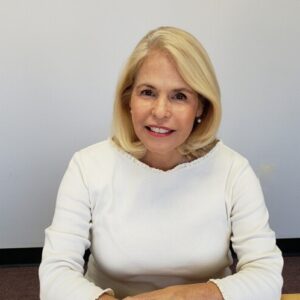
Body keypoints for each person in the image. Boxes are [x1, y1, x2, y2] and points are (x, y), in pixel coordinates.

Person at [39, 26, 283, 300]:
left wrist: (182, 297)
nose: (160, 111)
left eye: (180, 96)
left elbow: (266, 274)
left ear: (201, 106)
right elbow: (56, 274)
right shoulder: (87, 166)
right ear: (128, 99)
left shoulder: (233, 171)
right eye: (148, 92)